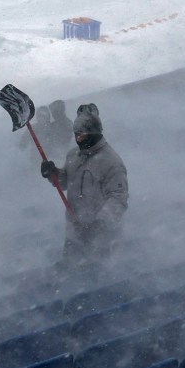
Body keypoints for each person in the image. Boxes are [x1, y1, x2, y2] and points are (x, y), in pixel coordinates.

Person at [40, 104, 128, 267]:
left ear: (94, 134)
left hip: (101, 237)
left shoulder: (111, 162)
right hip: (75, 229)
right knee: (70, 268)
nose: (78, 139)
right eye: (76, 134)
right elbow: (65, 182)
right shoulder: (73, 155)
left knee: (96, 273)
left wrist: (98, 225)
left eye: (82, 135)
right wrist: (53, 174)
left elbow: (118, 198)